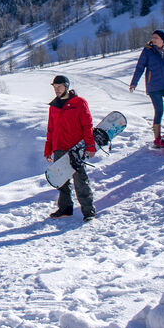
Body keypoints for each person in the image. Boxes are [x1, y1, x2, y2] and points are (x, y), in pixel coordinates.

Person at [44, 75, 96, 222]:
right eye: (54, 87)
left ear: (66, 86)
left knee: (80, 180)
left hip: (76, 148)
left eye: (59, 87)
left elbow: (87, 125)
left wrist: (90, 145)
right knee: (61, 180)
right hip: (59, 147)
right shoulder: (54, 106)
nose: (57, 90)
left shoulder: (79, 102)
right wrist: (48, 149)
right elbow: (51, 129)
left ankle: (88, 211)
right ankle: (65, 209)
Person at [129, 29, 164, 145]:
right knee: (159, 110)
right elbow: (140, 67)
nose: (153, 39)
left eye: (156, 38)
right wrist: (134, 82)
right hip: (153, 87)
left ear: (163, 40)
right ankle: (157, 139)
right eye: (153, 37)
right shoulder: (147, 51)